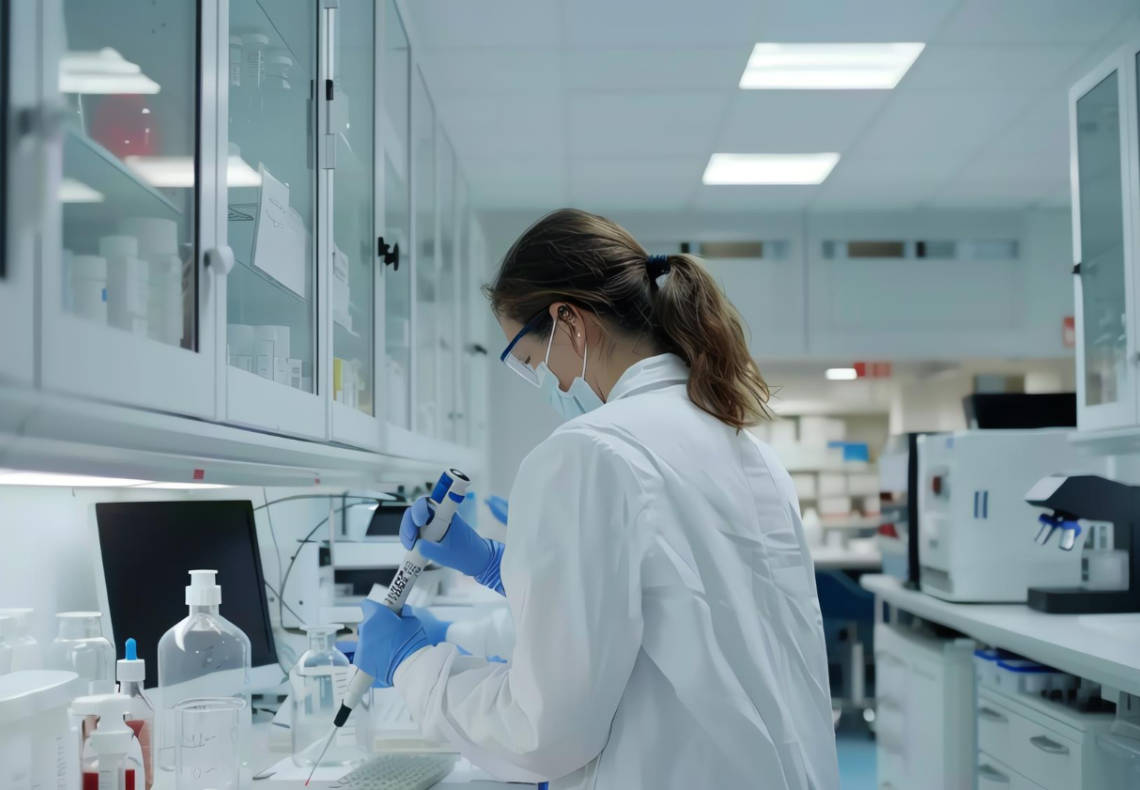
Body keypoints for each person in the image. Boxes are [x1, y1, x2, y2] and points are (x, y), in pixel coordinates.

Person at [352, 208, 839, 789]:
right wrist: (497, 565)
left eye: (530, 361)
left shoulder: (589, 452)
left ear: (569, 322)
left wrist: (412, 665)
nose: (545, 385)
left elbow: (543, 732)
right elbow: (683, 609)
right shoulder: (744, 445)